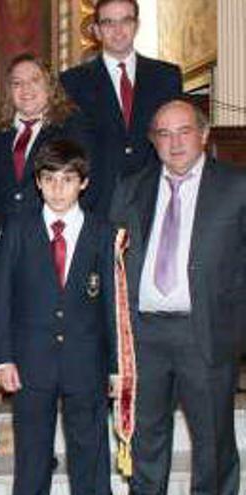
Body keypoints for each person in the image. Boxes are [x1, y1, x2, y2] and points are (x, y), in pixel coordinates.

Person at [109, 99, 245, 495]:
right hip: (143, 335)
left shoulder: (236, 187)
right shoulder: (132, 188)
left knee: (213, 445)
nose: (175, 142)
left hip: (204, 333)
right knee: (145, 441)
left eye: (184, 131)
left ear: (203, 135)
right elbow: (114, 260)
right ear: (153, 142)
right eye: (164, 134)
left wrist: (236, 330)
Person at [0, 139, 116, 495]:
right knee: (31, 458)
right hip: (31, 361)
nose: (57, 188)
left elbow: (111, 303)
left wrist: (116, 365)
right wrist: (3, 358)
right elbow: (2, 297)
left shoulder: (103, 232)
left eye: (67, 179)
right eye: (49, 179)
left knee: (90, 457)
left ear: (84, 182)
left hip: (86, 360)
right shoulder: (17, 228)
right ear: (37, 182)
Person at [61, 0, 181, 217]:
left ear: (137, 25)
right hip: (95, 205)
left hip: (154, 200)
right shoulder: (72, 82)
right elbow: (71, 145)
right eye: (108, 23)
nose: (118, 30)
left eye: (126, 21)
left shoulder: (167, 77)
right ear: (96, 31)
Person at [0, 53, 92, 254]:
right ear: (9, 91)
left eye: (34, 80)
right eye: (17, 83)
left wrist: (57, 233)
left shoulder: (72, 129)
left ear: (49, 86)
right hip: (2, 248)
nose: (26, 89)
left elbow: (84, 183)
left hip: (54, 246)